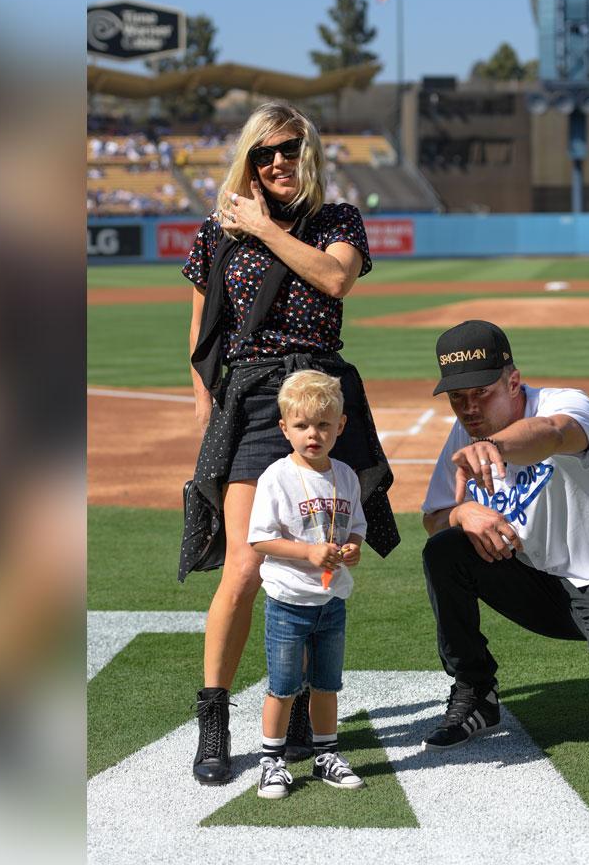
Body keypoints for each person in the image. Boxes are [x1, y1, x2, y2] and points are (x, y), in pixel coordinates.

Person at [178, 101, 398, 786]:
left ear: (311, 156)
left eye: (291, 150)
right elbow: (203, 338)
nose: (278, 162)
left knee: (320, 555)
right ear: (248, 158)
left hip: (320, 397)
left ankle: (302, 709)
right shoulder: (216, 236)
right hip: (249, 401)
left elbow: (335, 280)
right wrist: (204, 415)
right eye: (265, 151)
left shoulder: (337, 222)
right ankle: (214, 714)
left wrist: (266, 229)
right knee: (246, 565)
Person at [419, 321, 589, 750]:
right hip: (536, 583)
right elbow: (434, 516)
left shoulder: (565, 405)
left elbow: (555, 434)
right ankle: (475, 691)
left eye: (481, 392)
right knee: (444, 549)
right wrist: (463, 512)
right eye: (457, 398)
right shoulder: (467, 431)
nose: (469, 408)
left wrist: (496, 447)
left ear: (514, 381)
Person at [247, 370, 368, 798]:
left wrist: (351, 547)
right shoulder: (275, 477)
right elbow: (260, 538)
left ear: (340, 426)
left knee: (327, 684)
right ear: (284, 428)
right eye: (301, 425)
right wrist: (308, 553)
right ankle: (272, 761)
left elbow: (356, 527)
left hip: (331, 599)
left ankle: (326, 754)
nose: (312, 434)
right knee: (282, 686)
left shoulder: (346, 476)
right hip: (288, 601)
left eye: (323, 425)